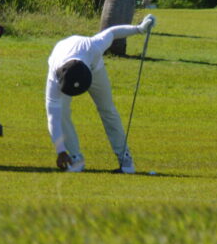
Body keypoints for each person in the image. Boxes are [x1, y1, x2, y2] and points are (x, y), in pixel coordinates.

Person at [45, 16, 156, 173]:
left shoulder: (94, 46)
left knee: (107, 109)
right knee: (61, 113)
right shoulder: (54, 76)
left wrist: (139, 29)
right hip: (68, 67)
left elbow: (112, 32)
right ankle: (75, 159)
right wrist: (60, 151)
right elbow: (52, 116)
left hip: (94, 67)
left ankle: (126, 160)